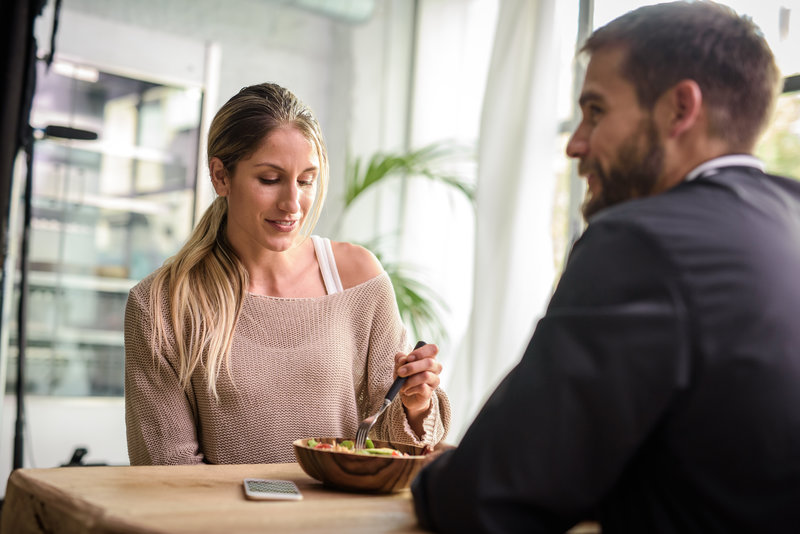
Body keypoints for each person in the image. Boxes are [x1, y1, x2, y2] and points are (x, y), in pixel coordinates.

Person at [411, 2, 800, 532]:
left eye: (595, 111)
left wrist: (429, 476)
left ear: (679, 109)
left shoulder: (643, 241)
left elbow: (481, 499)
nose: (575, 144)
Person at [124, 82, 450, 465]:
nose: (292, 204)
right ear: (220, 176)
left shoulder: (358, 280)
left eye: (305, 180)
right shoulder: (161, 305)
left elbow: (395, 444)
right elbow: (169, 472)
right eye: (270, 179)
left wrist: (416, 403)